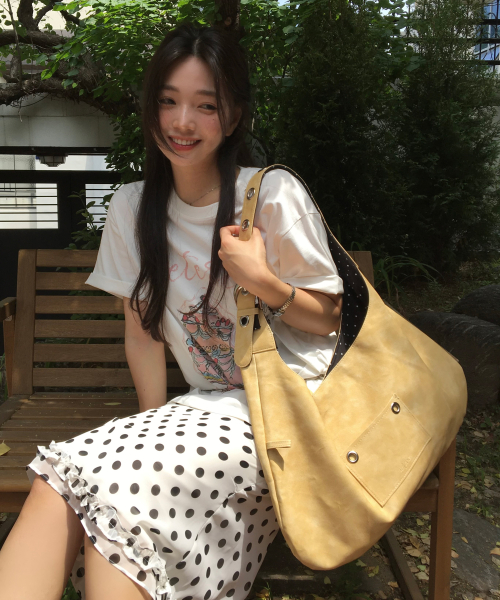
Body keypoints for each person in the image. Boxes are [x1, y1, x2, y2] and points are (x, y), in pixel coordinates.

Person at [0, 23, 343, 600]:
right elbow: (143, 334)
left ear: (233, 117)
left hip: (294, 408)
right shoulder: (132, 208)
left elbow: (329, 316)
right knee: (62, 485)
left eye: (205, 106)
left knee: (105, 492)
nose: (182, 122)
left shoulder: (270, 194)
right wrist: (147, 433)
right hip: (207, 412)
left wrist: (262, 281)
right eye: (168, 101)